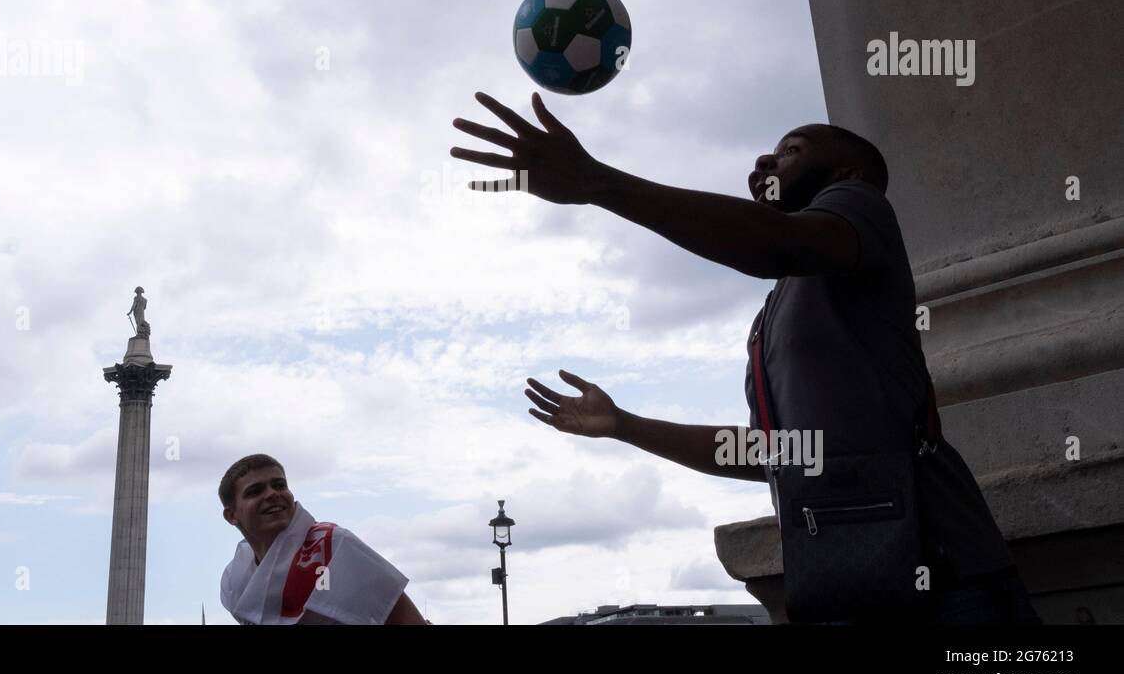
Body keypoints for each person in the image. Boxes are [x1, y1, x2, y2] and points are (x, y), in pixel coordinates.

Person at [450, 91, 1040, 624]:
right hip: (848, 585)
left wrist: (599, 183)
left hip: (945, 584)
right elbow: (770, 454)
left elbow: (768, 242)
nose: (763, 163)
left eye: (791, 149)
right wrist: (624, 425)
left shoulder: (859, 207)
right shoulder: (777, 310)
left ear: (847, 171)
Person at [218, 454, 426, 624]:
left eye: (280, 485)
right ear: (232, 516)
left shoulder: (335, 546)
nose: (272, 494)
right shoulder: (234, 581)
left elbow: (406, 619)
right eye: (255, 491)